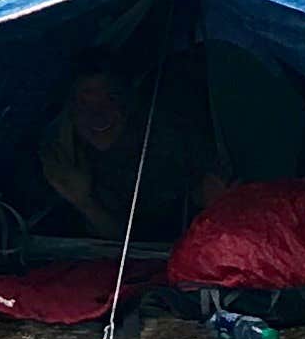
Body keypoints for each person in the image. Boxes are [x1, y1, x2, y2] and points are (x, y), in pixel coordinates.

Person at [34, 62, 217, 238]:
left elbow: (145, 244)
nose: (98, 114)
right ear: (69, 110)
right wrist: (81, 200)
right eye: (84, 103)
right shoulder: (52, 162)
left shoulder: (165, 150)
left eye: (111, 99)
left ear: (127, 104)